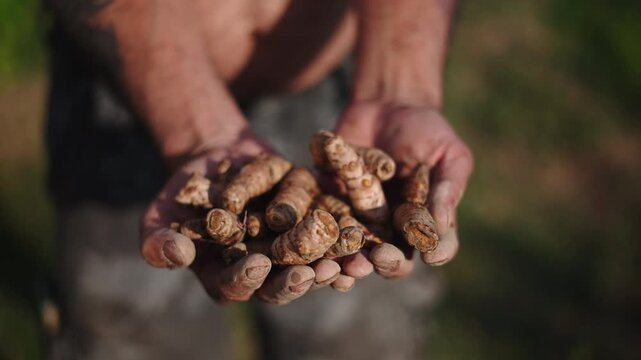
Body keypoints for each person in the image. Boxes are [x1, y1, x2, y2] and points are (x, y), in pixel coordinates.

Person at [46, 0, 473, 359]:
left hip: (343, 81)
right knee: (133, 337)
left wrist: (398, 87)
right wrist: (191, 127)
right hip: (129, 76)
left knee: (358, 342)